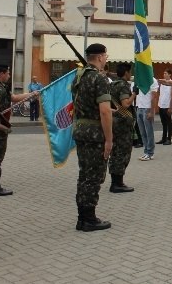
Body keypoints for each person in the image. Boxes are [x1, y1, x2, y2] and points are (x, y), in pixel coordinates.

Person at [71, 43, 113, 232]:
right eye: (105, 56)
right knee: (94, 176)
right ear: (99, 57)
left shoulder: (79, 77)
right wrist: (109, 139)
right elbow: (104, 112)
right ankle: (88, 218)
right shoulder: (99, 79)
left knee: (84, 174)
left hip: (81, 129)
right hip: (95, 134)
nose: (106, 59)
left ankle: (83, 216)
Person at [0, 65, 34, 196]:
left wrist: (31, 94)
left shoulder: (0, 86)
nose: (9, 75)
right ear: (1, 74)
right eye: (7, 73)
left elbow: (14, 98)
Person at [108, 63, 137, 193]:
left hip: (114, 122)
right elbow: (125, 104)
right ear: (126, 72)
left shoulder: (112, 84)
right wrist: (134, 94)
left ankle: (116, 181)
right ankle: (117, 184)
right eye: (129, 72)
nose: (130, 74)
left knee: (115, 152)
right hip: (123, 124)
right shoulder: (124, 85)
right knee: (123, 153)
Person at [135, 75, 159, 161]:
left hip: (147, 108)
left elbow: (154, 97)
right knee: (142, 132)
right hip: (139, 107)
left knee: (149, 132)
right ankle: (146, 152)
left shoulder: (153, 80)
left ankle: (150, 153)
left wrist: (152, 111)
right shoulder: (140, 78)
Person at [157, 69, 172, 146]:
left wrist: (170, 107)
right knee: (163, 123)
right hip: (161, 105)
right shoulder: (162, 83)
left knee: (169, 123)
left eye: (166, 73)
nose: (164, 74)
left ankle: (169, 138)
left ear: (170, 75)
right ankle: (163, 138)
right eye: (164, 73)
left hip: (167, 106)